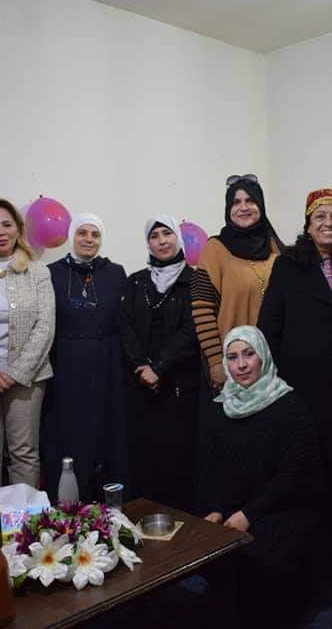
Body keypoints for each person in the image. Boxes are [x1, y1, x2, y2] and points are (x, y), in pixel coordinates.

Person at [258, 187, 332, 569]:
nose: (328, 223)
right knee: (304, 469)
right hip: (300, 388)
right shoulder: (287, 265)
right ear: (308, 226)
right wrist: (270, 385)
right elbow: (269, 327)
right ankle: (306, 544)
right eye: (320, 217)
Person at [195, 326, 324, 627]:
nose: (241, 365)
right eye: (233, 357)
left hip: (283, 509)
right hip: (233, 507)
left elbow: (293, 477)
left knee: (260, 563)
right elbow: (209, 469)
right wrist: (215, 509)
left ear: (263, 356)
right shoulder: (220, 408)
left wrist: (248, 514)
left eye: (249, 354)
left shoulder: (290, 408)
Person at [0, 198, 55, 500]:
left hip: (29, 377)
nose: (0, 232)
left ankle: (24, 523)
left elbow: (45, 326)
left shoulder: (38, 271)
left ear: (18, 229)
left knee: (24, 452)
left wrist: (16, 372)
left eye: (6, 225)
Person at [117, 214, 199, 510]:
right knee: (144, 457)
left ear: (178, 237)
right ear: (148, 242)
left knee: (179, 457)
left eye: (167, 233)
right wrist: (142, 368)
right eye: (154, 236)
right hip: (142, 385)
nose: (162, 241)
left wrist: (158, 368)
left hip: (180, 385)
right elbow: (124, 325)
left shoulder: (196, 280)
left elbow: (192, 330)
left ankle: (184, 526)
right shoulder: (136, 281)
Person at [43, 213, 127, 500]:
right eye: (82, 233)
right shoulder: (51, 272)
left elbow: (124, 321)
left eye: (95, 234)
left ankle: (108, 502)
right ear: (71, 236)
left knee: (106, 433)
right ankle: (67, 503)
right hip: (66, 365)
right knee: (70, 432)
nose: (89, 239)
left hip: (107, 363)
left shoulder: (116, 272)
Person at [192, 174, 282, 394]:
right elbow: (202, 310)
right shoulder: (215, 249)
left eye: (250, 201)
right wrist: (216, 361)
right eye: (236, 202)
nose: (243, 207)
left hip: (274, 363)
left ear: (260, 205)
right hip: (234, 365)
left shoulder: (275, 248)